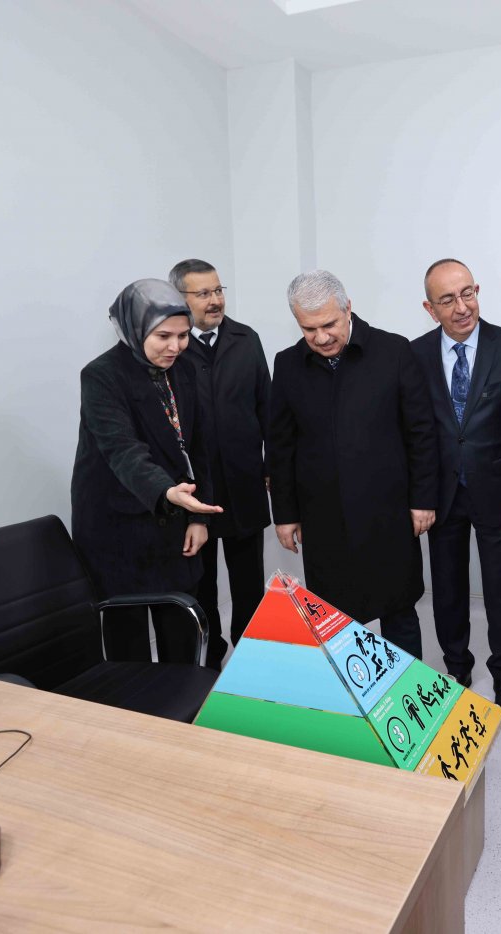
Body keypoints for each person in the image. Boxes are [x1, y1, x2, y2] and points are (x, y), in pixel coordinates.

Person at [267, 270, 437, 658]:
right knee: (336, 619)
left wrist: (423, 499)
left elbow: (421, 433)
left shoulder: (393, 351)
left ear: (348, 308)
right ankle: (353, 691)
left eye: (329, 324)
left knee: (398, 609)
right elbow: (280, 446)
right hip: (323, 519)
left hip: (389, 513)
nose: (321, 337)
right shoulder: (288, 364)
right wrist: (285, 515)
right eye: (309, 329)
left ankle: (407, 689)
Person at [412, 259, 501, 720]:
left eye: (468, 293)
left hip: (499, 492)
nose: (462, 307)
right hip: (442, 496)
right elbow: (415, 433)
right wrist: (418, 497)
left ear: (478, 291)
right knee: (447, 589)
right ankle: (457, 669)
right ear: (430, 308)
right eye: (447, 300)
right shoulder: (416, 354)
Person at [71, 279, 223, 664]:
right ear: (134, 329)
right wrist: (166, 491)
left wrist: (198, 516)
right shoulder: (102, 376)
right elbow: (122, 449)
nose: (175, 347)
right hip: (118, 529)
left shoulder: (184, 369)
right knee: (130, 648)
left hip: (175, 520)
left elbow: (199, 446)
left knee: (181, 635)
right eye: (163, 336)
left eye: (183, 336)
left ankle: (185, 701)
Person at [171, 258, 271, 670]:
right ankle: (209, 659)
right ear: (181, 298)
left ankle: (250, 661)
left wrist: (271, 466)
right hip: (195, 492)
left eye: (218, 290)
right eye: (203, 293)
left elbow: (267, 409)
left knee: (249, 583)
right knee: (201, 584)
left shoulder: (246, 339)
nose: (215, 300)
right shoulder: (172, 348)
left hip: (244, 483)